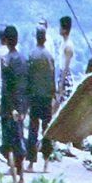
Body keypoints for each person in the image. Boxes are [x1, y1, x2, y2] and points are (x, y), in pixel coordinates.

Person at [0, 24, 27, 183]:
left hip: (9, 108)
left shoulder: (6, 61)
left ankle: (15, 177)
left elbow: (7, 88)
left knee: (9, 143)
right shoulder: (23, 59)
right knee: (19, 139)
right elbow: (26, 85)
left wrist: (11, 108)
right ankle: (21, 176)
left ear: (5, 40)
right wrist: (23, 108)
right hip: (21, 106)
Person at [25, 27, 57, 170]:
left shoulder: (32, 55)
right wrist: (53, 95)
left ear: (36, 38)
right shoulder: (49, 56)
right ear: (44, 38)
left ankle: (31, 162)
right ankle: (46, 162)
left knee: (33, 129)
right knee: (46, 129)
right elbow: (52, 78)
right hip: (46, 97)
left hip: (34, 96)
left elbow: (28, 77)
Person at [54, 15, 77, 105]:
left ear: (64, 30)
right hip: (62, 75)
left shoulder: (68, 46)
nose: (59, 29)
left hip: (65, 78)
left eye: (60, 27)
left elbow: (66, 67)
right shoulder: (63, 43)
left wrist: (61, 83)